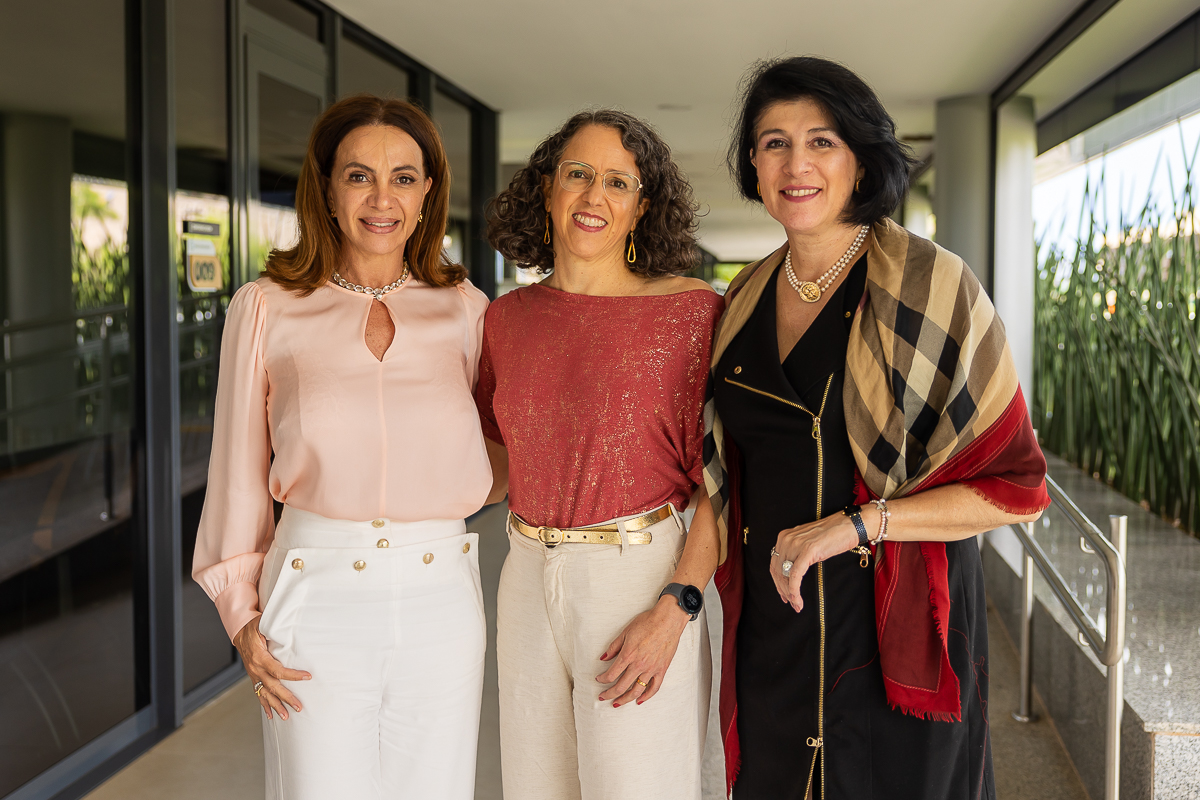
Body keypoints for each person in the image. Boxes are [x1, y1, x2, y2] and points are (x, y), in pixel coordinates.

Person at [702, 57, 1051, 800]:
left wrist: (861, 525)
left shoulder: (934, 286)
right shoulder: (740, 303)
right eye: (773, 143)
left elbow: (1015, 488)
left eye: (821, 141)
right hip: (777, 632)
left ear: (861, 159)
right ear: (753, 165)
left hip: (893, 632)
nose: (796, 164)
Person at [192, 94, 492, 800]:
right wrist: (240, 611)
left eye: (404, 178)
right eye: (359, 176)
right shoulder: (266, 305)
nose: (382, 198)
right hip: (314, 598)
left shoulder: (468, 310)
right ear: (325, 191)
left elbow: (500, 451)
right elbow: (236, 471)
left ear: (428, 195)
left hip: (441, 597)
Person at [476, 109, 722, 800]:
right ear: (548, 189)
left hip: (638, 573)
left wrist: (678, 603)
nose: (594, 195)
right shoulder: (506, 319)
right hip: (524, 572)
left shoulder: (694, 313)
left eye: (618, 182)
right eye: (578, 174)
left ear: (642, 207)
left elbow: (726, 483)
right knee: (534, 787)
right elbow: (496, 468)